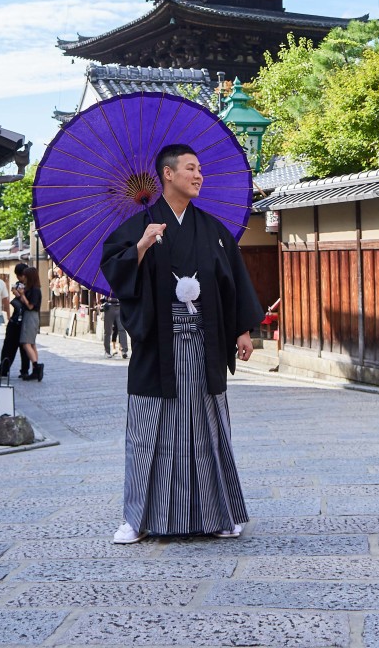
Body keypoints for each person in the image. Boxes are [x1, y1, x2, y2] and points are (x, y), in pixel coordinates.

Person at [102, 142, 263, 544]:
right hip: (159, 347)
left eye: (201, 170)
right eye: (191, 168)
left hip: (204, 343)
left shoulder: (212, 230)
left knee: (208, 430)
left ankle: (219, 514)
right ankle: (136, 519)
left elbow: (232, 281)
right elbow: (115, 272)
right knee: (148, 431)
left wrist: (242, 329)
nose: (199, 175)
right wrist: (140, 246)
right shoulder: (139, 227)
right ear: (167, 174)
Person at [0, 262, 31, 378]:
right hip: (15, 319)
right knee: (8, 345)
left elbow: (30, 303)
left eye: (20, 275)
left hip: (26, 321)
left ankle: (25, 371)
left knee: (24, 347)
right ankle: (3, 369)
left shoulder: (32, 287)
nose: (19, 278)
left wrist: (19, 295)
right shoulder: (18, 284)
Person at [18, 266, 44, 382]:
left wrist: (22, 295)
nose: (24, 278)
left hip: (31, 316)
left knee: (26, 343)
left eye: (25, 276)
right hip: (31, 316)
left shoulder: (35, 290)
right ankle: (35, 370)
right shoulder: (33, 289)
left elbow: (30, 306)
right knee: (32, 344)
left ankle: (37, 366)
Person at [101, 292, 128, 359]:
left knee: (122, 329)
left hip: (119, 306)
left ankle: (124, 351)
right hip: (109, 306)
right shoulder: (107, 283)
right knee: (107, 331)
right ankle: (107, 351)